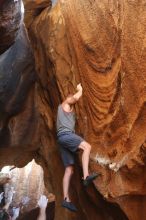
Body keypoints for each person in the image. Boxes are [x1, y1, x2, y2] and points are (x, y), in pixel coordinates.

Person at [57, 83, 100, 212]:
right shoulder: (65, 103)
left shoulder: (65, 113)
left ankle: (65, 199)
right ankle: (86, 176)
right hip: (66, 135)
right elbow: (74, 98)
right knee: (87, 147)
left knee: (69, 170)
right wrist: (80, 89)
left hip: (61, 140)